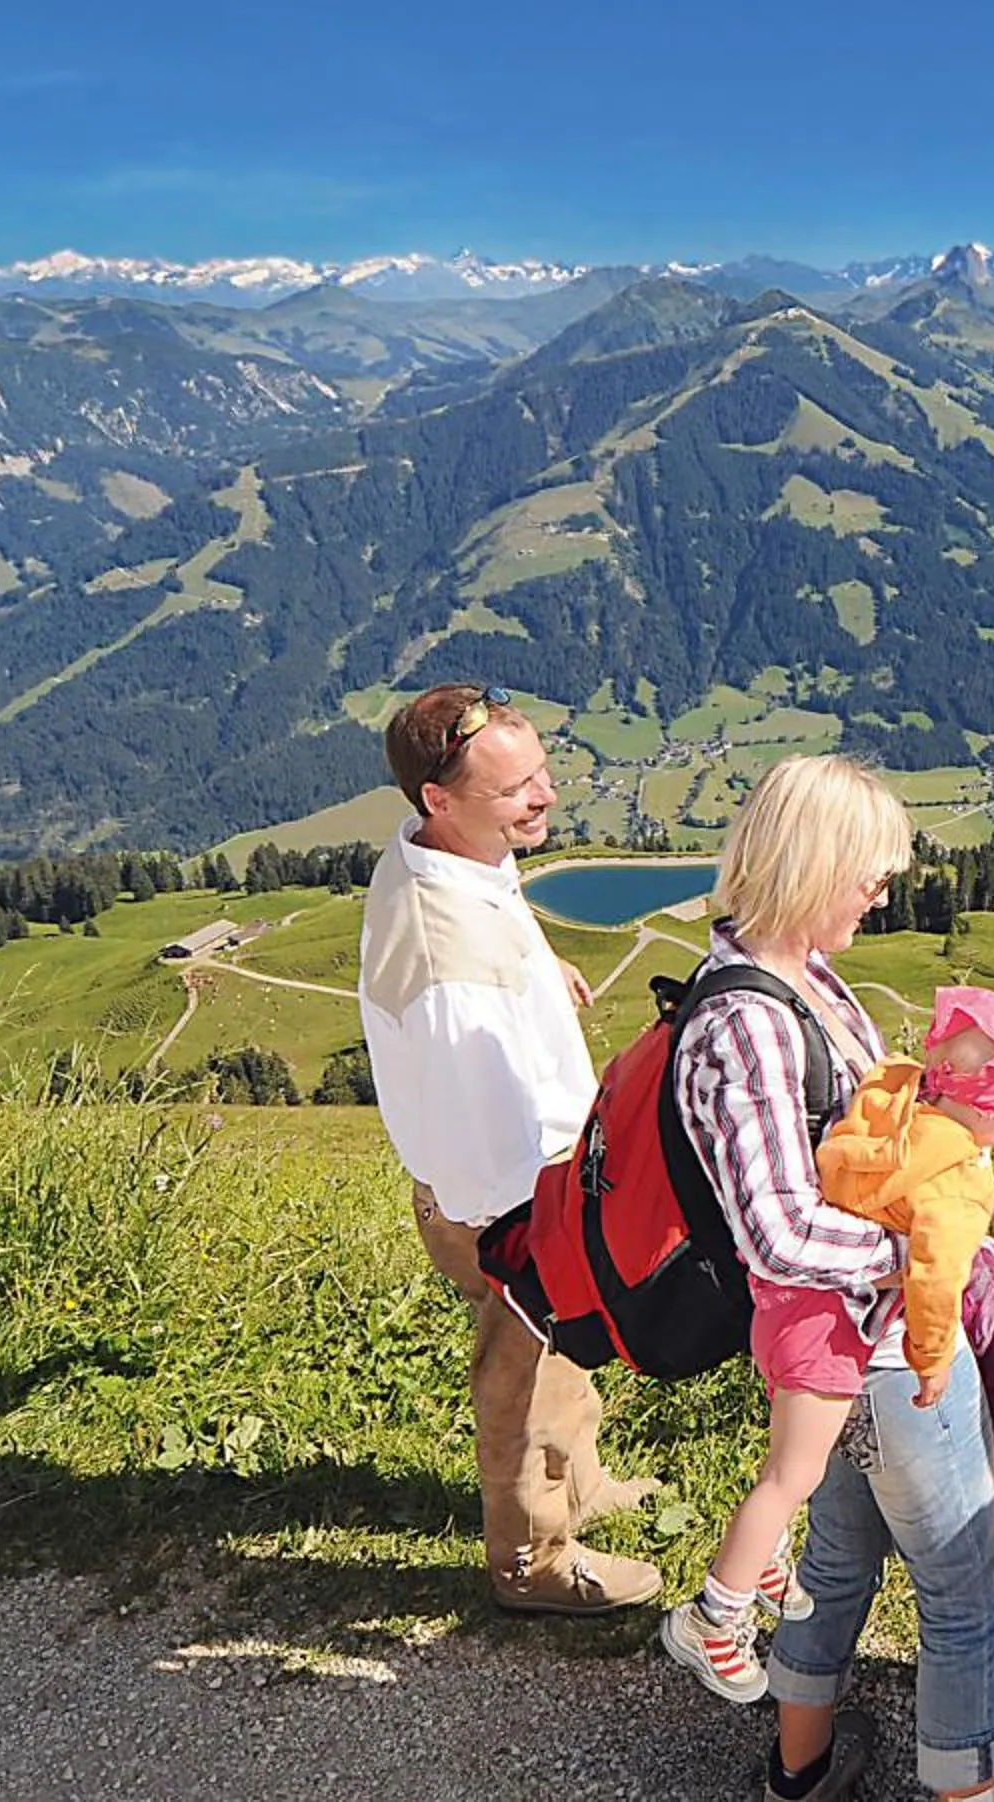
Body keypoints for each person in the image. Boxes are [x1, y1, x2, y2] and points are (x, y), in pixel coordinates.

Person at [664, 753, 994, 1802]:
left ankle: (803, 1769)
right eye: (867, 873)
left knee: (837, 1561)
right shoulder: (754, 1022)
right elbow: (776, 1231)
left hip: (848, 1346)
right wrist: (923, 1260)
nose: (880, 892)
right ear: (813, 864)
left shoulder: (797, 974)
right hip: (875, 1344)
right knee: (965, 1591)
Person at [356, 683, 663, 1615]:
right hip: (511, 1202)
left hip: (536, 1179)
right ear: (437, 799)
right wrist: (548, 1230)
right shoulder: (455, 982)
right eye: (517, 791)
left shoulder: (446, 854)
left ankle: (578, 1482)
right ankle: (532, 1562)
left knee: (566, 1352)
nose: (546, 800)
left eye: (541, 775)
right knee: (521, 1370)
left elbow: (488, 898)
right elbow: (483, 1140)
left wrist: (539, 958)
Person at [665, 986, 994, 1704]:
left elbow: (916, 1117)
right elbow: (935, 1279)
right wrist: (933, 1363)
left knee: (816, 1516)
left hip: (780, 1310)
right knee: (789, 1480)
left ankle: (771, 1577)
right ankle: (714, 1619)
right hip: (838, 1334)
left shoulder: (896, 1091)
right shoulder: (956, 1184)